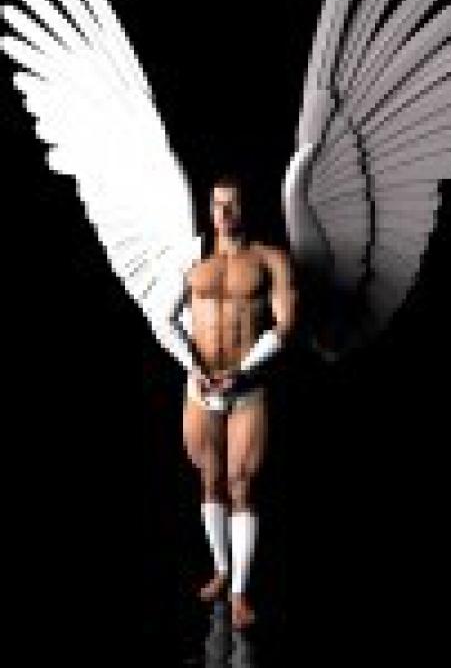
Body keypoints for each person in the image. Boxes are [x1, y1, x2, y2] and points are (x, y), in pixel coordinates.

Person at [168, 173, 297, 629]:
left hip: (246, 389)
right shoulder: (192, 259)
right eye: (216, 205)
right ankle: (221, 569)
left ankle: (240, 590)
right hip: (200, 388)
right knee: (209, 481)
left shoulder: (269, 258)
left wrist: (243, 370)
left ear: (246, 208)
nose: (222, 214)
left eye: (231, 205)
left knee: (241, 483)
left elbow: (285, 325)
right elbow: (168, 317)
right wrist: (192, 365)